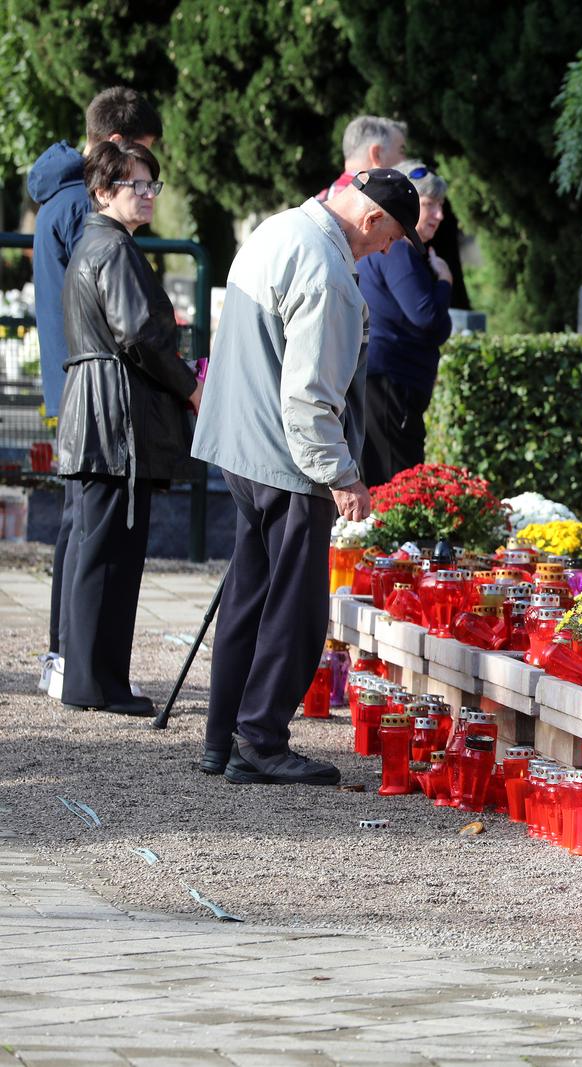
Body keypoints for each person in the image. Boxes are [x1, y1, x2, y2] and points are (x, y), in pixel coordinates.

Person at [192, 169, 424, 785]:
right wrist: (341, 476)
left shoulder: (277, 229)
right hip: (286, 456)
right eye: (393, 238)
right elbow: (310, 395)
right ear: (373, 219)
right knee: (295, 609)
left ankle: (223, 737)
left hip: (238, 443)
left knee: (248, 595)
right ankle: (260, 740)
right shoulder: (327, 269)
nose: (388, 251)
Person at [56, 141, 199, 715]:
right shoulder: (112, 248)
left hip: (98, 410)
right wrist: (192, 386)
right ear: (102, 190)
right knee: (109, 551)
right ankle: (98, 684)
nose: (146, 194)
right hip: (111, 416)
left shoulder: (100, 244)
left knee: (102, 549)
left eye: (150, 184)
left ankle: (94, 681)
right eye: (134, 184)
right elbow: (138, 334)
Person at [28, 87, 162, 675]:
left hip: (71, 379)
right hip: (96, 384)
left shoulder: (57, 200)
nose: (143, 178)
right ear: (116, 145)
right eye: (141, 157)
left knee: (77, 526)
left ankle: (66, 651)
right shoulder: (83, 207)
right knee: (90, 533)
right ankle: (73, 657)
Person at [358, 161, 454, 485]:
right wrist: (444, 282)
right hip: (390, 387)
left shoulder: (397, 247)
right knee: (397, 490)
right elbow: (427, 318)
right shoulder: (399, 248)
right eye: (429, 204)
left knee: (385, 486)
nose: (438, 215)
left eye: (440, 205)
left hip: (386, 383)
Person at [317, 115, 406, 200]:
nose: (405, 159)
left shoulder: (319, 201)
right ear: (377, 155)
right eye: (401, 151)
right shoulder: (381, 206)